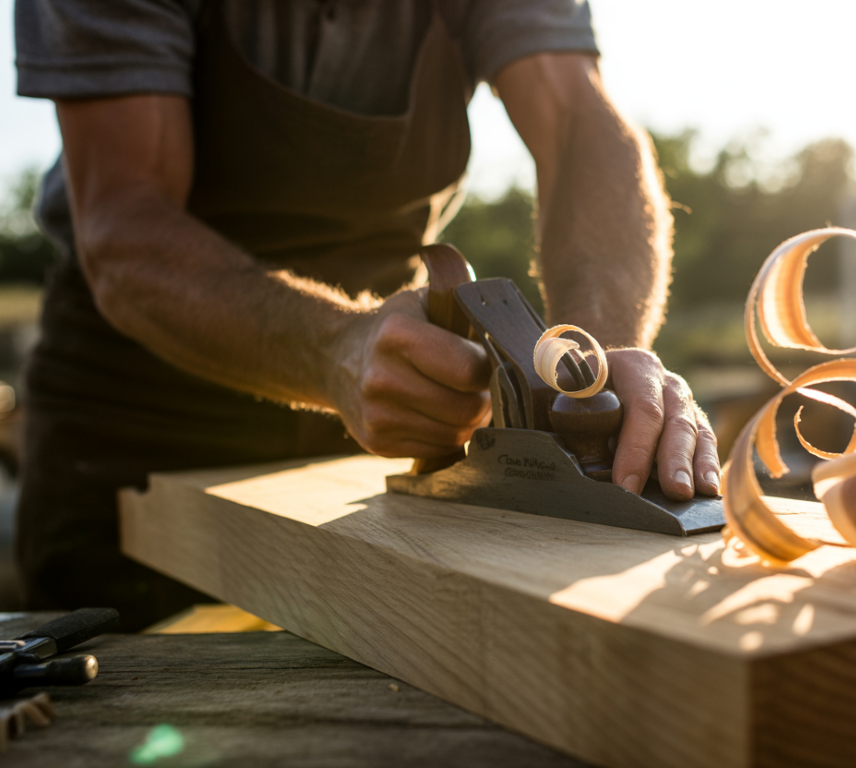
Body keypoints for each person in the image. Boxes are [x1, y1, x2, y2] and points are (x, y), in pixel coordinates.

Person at [13, 0, 719, 630]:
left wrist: (591, 366)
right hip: (138, 417)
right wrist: (332, 350)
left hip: (385, 400)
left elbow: (575, 122)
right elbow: (126, 226)